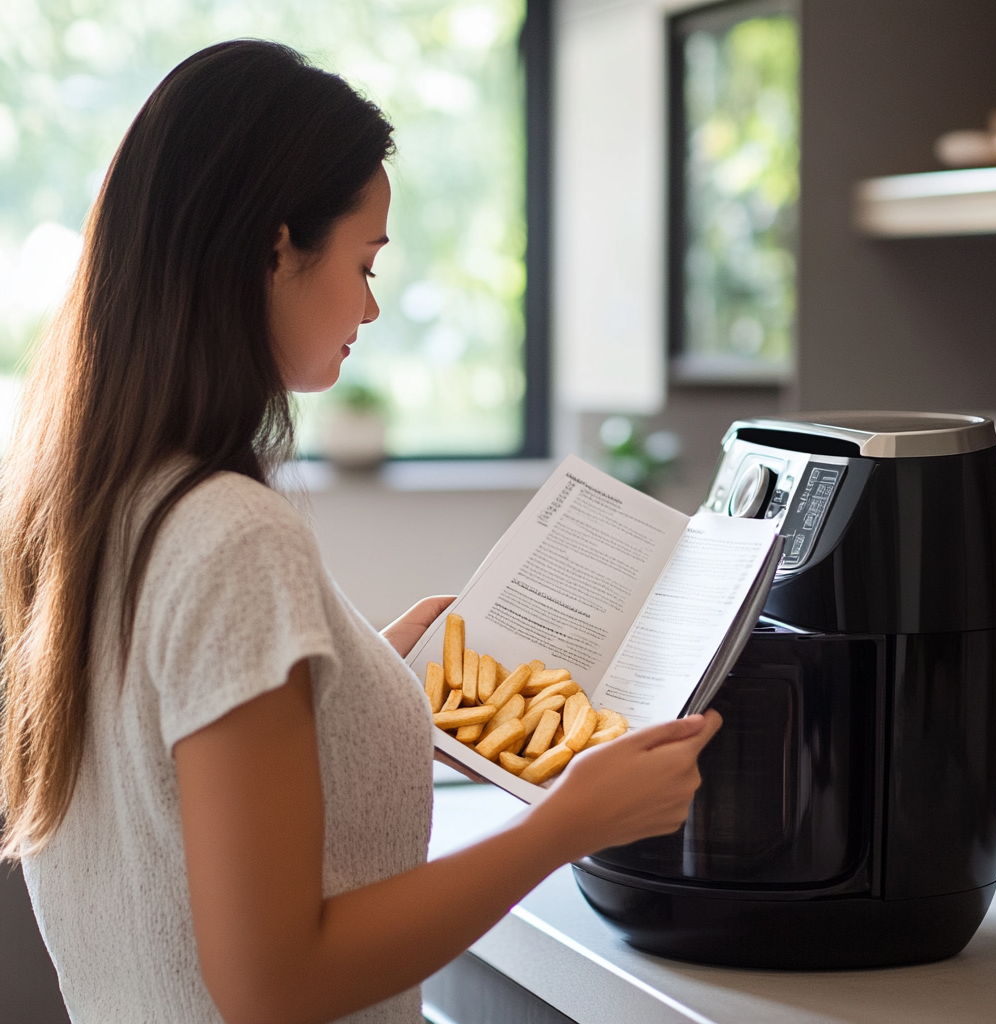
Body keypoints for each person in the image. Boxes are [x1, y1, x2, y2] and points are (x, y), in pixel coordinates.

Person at [0, 39, 722, 1024]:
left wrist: (353, 683)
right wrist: (566, 825)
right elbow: (274, 985)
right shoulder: (232, 535)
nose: (372, 305)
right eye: (363, 261)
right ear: (273, 247)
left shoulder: (95, 505)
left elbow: (162, 789)